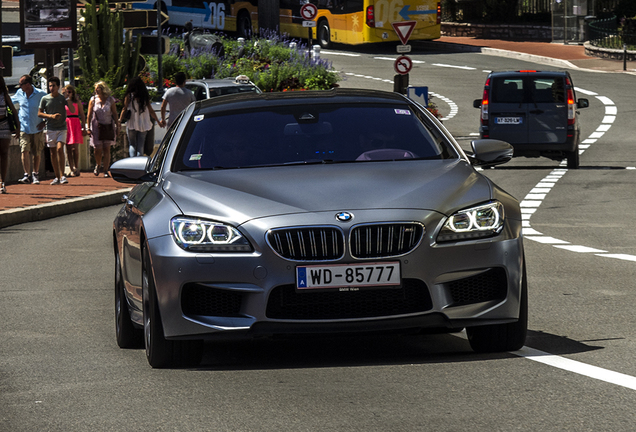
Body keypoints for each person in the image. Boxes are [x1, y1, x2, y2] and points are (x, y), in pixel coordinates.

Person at [11, 74, 46, 185]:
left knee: (36, 152)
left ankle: (35, 173)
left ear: (27, 84)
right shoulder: (19, 94)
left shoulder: (41, 94)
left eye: (21, 84)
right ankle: (27, 174)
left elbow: (49, 108)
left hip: (37, 127)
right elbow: (10, 101)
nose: (19, 87)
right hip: (24, 128)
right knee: (24, 150)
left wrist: (45, 122)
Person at [119, 76, 163, 158]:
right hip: (143, 123)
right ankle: (139, 163)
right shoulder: (144, 96)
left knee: (132, 144)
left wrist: (120, 120)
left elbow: (124, 109)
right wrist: (158, 121)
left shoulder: (129, 96)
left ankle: (132, 162)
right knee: (141, 145)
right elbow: (151, 110)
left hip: (132, 123)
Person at [39, 76, 70, 185]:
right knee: (52, 153)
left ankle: (62, 175)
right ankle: (56, 176)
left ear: (58, 86)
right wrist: (51, 116)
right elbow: (40, 113)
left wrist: (68, 98)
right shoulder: (45, 99)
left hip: (61, 127)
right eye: (50, 85)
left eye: (53, 86)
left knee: (60, 149)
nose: (51, 88)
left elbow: (73, 109)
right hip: (50, 128)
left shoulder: (62, 98)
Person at [86, 81, 119, 177]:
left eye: (98, 88)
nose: (96, 90)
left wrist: (117, 125)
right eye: (95, 88)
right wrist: (88, 127)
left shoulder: (110, 100)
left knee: (107, 149)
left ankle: (105, 169)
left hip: (108, 125)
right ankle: (98, 164)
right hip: (96, 126)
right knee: (97, 149)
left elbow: (114, 113)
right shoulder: (93, 100)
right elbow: (89, 115)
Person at [0, 76, 21, 193]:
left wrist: (17, 127)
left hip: (4, 125)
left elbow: (13, 111)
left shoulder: (4, 95)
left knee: (4, 152)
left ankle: (3, 181)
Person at [63, 84, 86, 177]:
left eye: (69, 92)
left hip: (75, 123)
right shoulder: (63, 102)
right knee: (68, 148)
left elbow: (82, 114)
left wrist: (84, 126)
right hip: (67, 123)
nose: (68, 94)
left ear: (72, 92)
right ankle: (71, 168)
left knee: (75, 148)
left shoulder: (77, 102)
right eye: (66, 92)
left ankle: (77, 167)